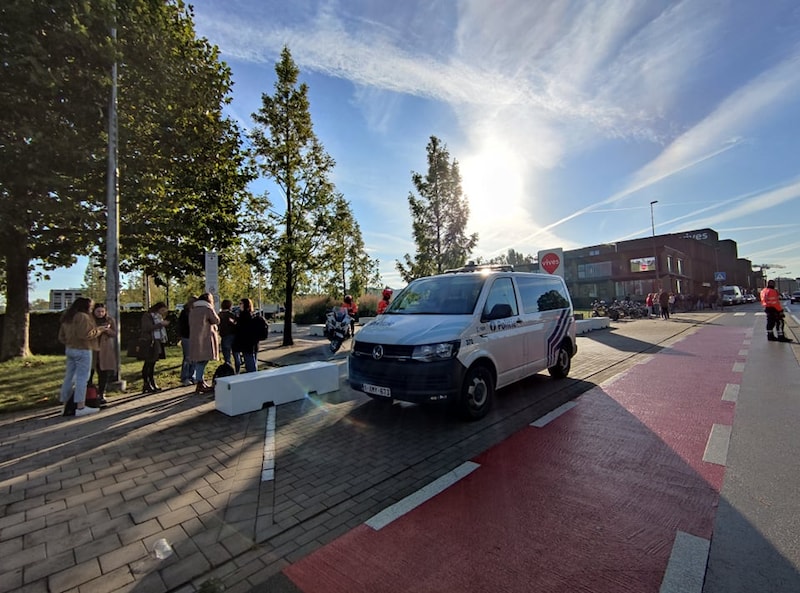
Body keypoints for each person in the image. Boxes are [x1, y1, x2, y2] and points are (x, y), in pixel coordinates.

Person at [58, 297, 107, 417]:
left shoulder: (68, 317)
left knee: (69, 377)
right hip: (83, 349)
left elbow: (61, 336)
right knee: (82, 378)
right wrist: (100, 330)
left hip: (70, 348)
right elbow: (86, 334)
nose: (92, 308)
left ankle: (66, 405)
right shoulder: (83, 317)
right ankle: (80, 406)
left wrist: (70, 343)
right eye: (91, 306)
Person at [189, 293, 220, 392]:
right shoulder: (207, 308)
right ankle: (199, 382)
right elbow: (216, 320)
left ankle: (201, 381)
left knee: (200, 360)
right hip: (205, 337)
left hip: (195, 338)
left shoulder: (193, 310)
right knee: (202, 361)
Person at [89, 303, 117, 406]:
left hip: (105, 349)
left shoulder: (109, 320)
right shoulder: (90, 320)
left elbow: (114, 333)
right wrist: (99, 329)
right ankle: (90, 394)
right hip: (93, 348)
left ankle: (101, 393)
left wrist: (107, 330)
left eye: (102, 311)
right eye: (98, 311)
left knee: (103, 372)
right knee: (90, 372)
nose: (100, 314)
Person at [139, 302, 170, 393]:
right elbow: (147, 328)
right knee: (148, 363)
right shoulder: (148, 316)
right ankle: (147, 383)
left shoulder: (158, 316)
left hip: (157, 340)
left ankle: (151, 382)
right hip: (150, 341)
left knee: (152, 363)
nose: (163, 313)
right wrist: (161, 324)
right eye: (162, 310)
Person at [233, 298, 267, 373]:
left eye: (241, 304)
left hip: (247, 343)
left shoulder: (244, 315)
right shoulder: (252, 315)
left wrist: (235, 322)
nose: (239, 305)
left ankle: (253, 377)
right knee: (253, 360)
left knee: (250, 363)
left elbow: (241, 329)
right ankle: (255, 375)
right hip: (254, 342)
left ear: (245, 305)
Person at [178, 296, 197, 386]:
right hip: (187, 336)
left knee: (195, 357)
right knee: (187, 357)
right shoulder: (185, 313)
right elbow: (181, 325)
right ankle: (185, 377)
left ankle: (192, 375)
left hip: (194, 336)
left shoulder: (196, 311)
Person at [218, 299, 241, 373]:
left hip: (225, 337)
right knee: (236, 355)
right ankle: (237, 371)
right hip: (234, 336)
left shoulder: (219, 315)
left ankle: (229, 372)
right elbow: (236, 324)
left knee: (227, 357)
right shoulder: (232, 315)